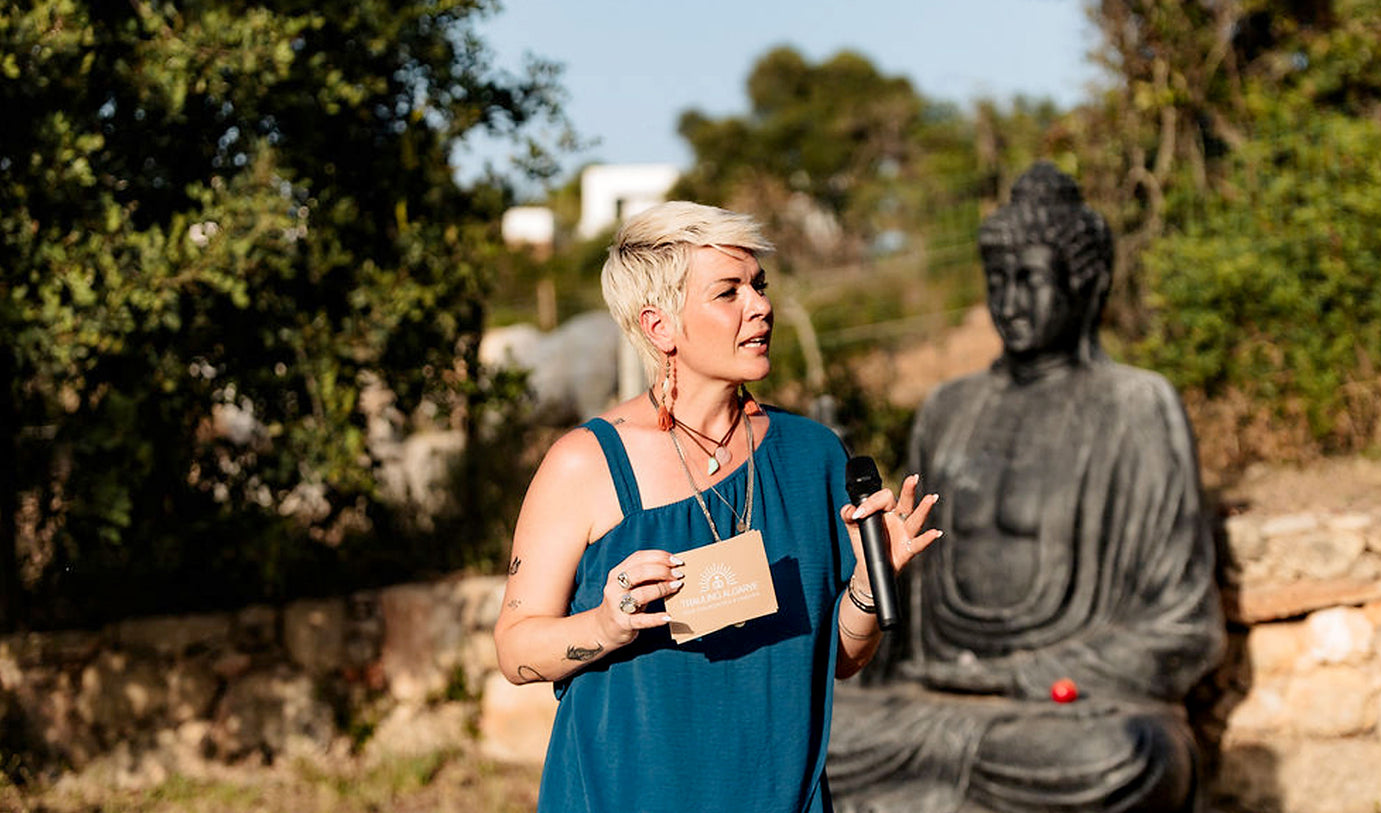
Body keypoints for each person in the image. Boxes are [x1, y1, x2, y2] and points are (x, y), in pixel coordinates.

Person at [494, 201, 940, 813]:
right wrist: (607, 623)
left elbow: (837, 660)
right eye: (727, 293)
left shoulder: (815, 457)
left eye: (758, 286)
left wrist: (869, 582)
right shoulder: (585, 465)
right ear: (659, 328)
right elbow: (516, 653)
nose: (759, 307)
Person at [827, 163, 1225, 812]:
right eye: (995, 281)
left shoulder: (1136, 406)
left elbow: (1183, 624)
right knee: (818, 728)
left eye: (1029, 279)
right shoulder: (946, 408)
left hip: (1059, 714)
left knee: (1130, 752)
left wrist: (1018, 674)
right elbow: (910, 593)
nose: (1008, 302)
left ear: (1086, 282)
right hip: (922, 708)